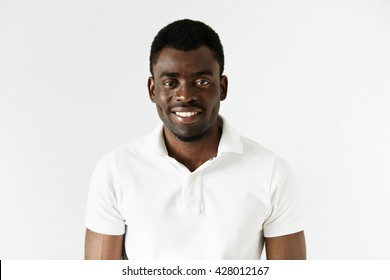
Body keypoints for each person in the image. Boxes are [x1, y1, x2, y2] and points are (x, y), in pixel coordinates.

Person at [84, 19, 306, 260]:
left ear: (222, 87)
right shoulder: (115, 170)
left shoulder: (272, 172)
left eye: (201, 82)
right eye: (170, 83)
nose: (185, 96)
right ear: (152, 89)